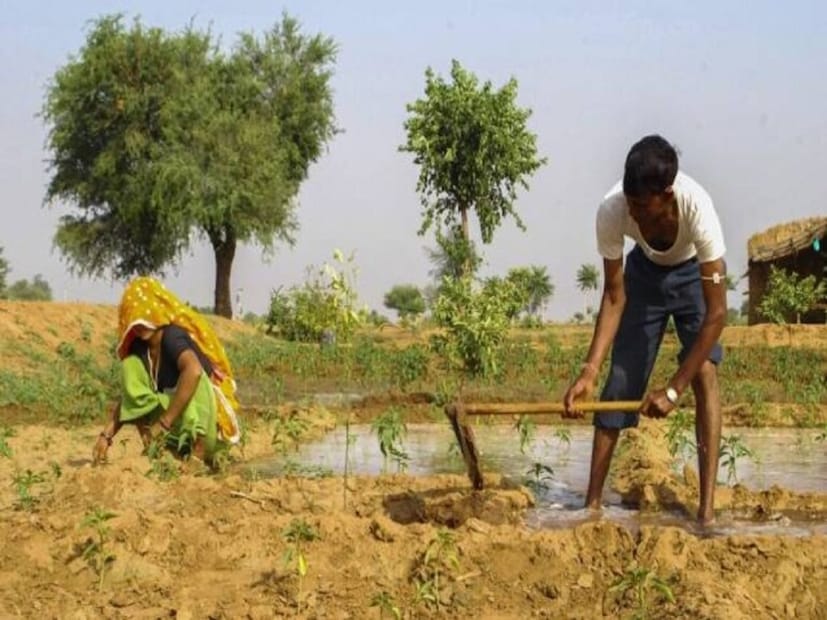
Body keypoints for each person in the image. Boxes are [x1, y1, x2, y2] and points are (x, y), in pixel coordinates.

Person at [563, 135, 727, 526]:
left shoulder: (698, 209)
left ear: (668, 195)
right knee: (619, 382)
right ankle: (591, 507)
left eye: (643, 207)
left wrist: (674, 389)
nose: (634, 215)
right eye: (630, 204)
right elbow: (615, 296)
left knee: (704, 372)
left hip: (691, 276)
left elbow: (717, 314)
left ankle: (705, 513)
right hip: (645, 276)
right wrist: (588, 371)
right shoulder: (613, 209)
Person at [93, 277, 242, 467]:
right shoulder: (140, 349)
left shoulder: (172, 336)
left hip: (209, 425)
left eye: (144, 316)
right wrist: (106, 435)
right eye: (135, 319)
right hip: (177, 429)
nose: (140, 325)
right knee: (131, 367)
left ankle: (198, 453)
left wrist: (163, 423)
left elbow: (195, 371)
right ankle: (158, 448)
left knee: (193, 377)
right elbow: (131, 396)